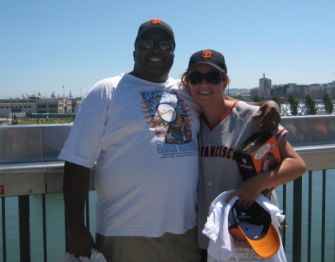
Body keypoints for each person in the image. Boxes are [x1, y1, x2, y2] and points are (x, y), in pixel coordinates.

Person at [59, 20, 281, 262]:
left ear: (173, 54)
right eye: (147, 43)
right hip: (126, 233)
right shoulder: (106, 91)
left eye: (165, 44)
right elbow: (76, 162)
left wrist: (269, 105)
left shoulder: (186, 90)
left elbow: (224, 103)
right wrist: (76, 228)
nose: (156, 49)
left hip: (188, 232)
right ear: (134, 51)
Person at [180, 49, 306, 260]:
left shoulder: (254, 118)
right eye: (196, 77)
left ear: (225, 82)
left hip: (251, 231)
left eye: (213, 77)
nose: (204, 84)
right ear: (187, 83)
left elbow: (297, 164)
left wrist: (257, 183)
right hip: (210, 230)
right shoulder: (190, 119)